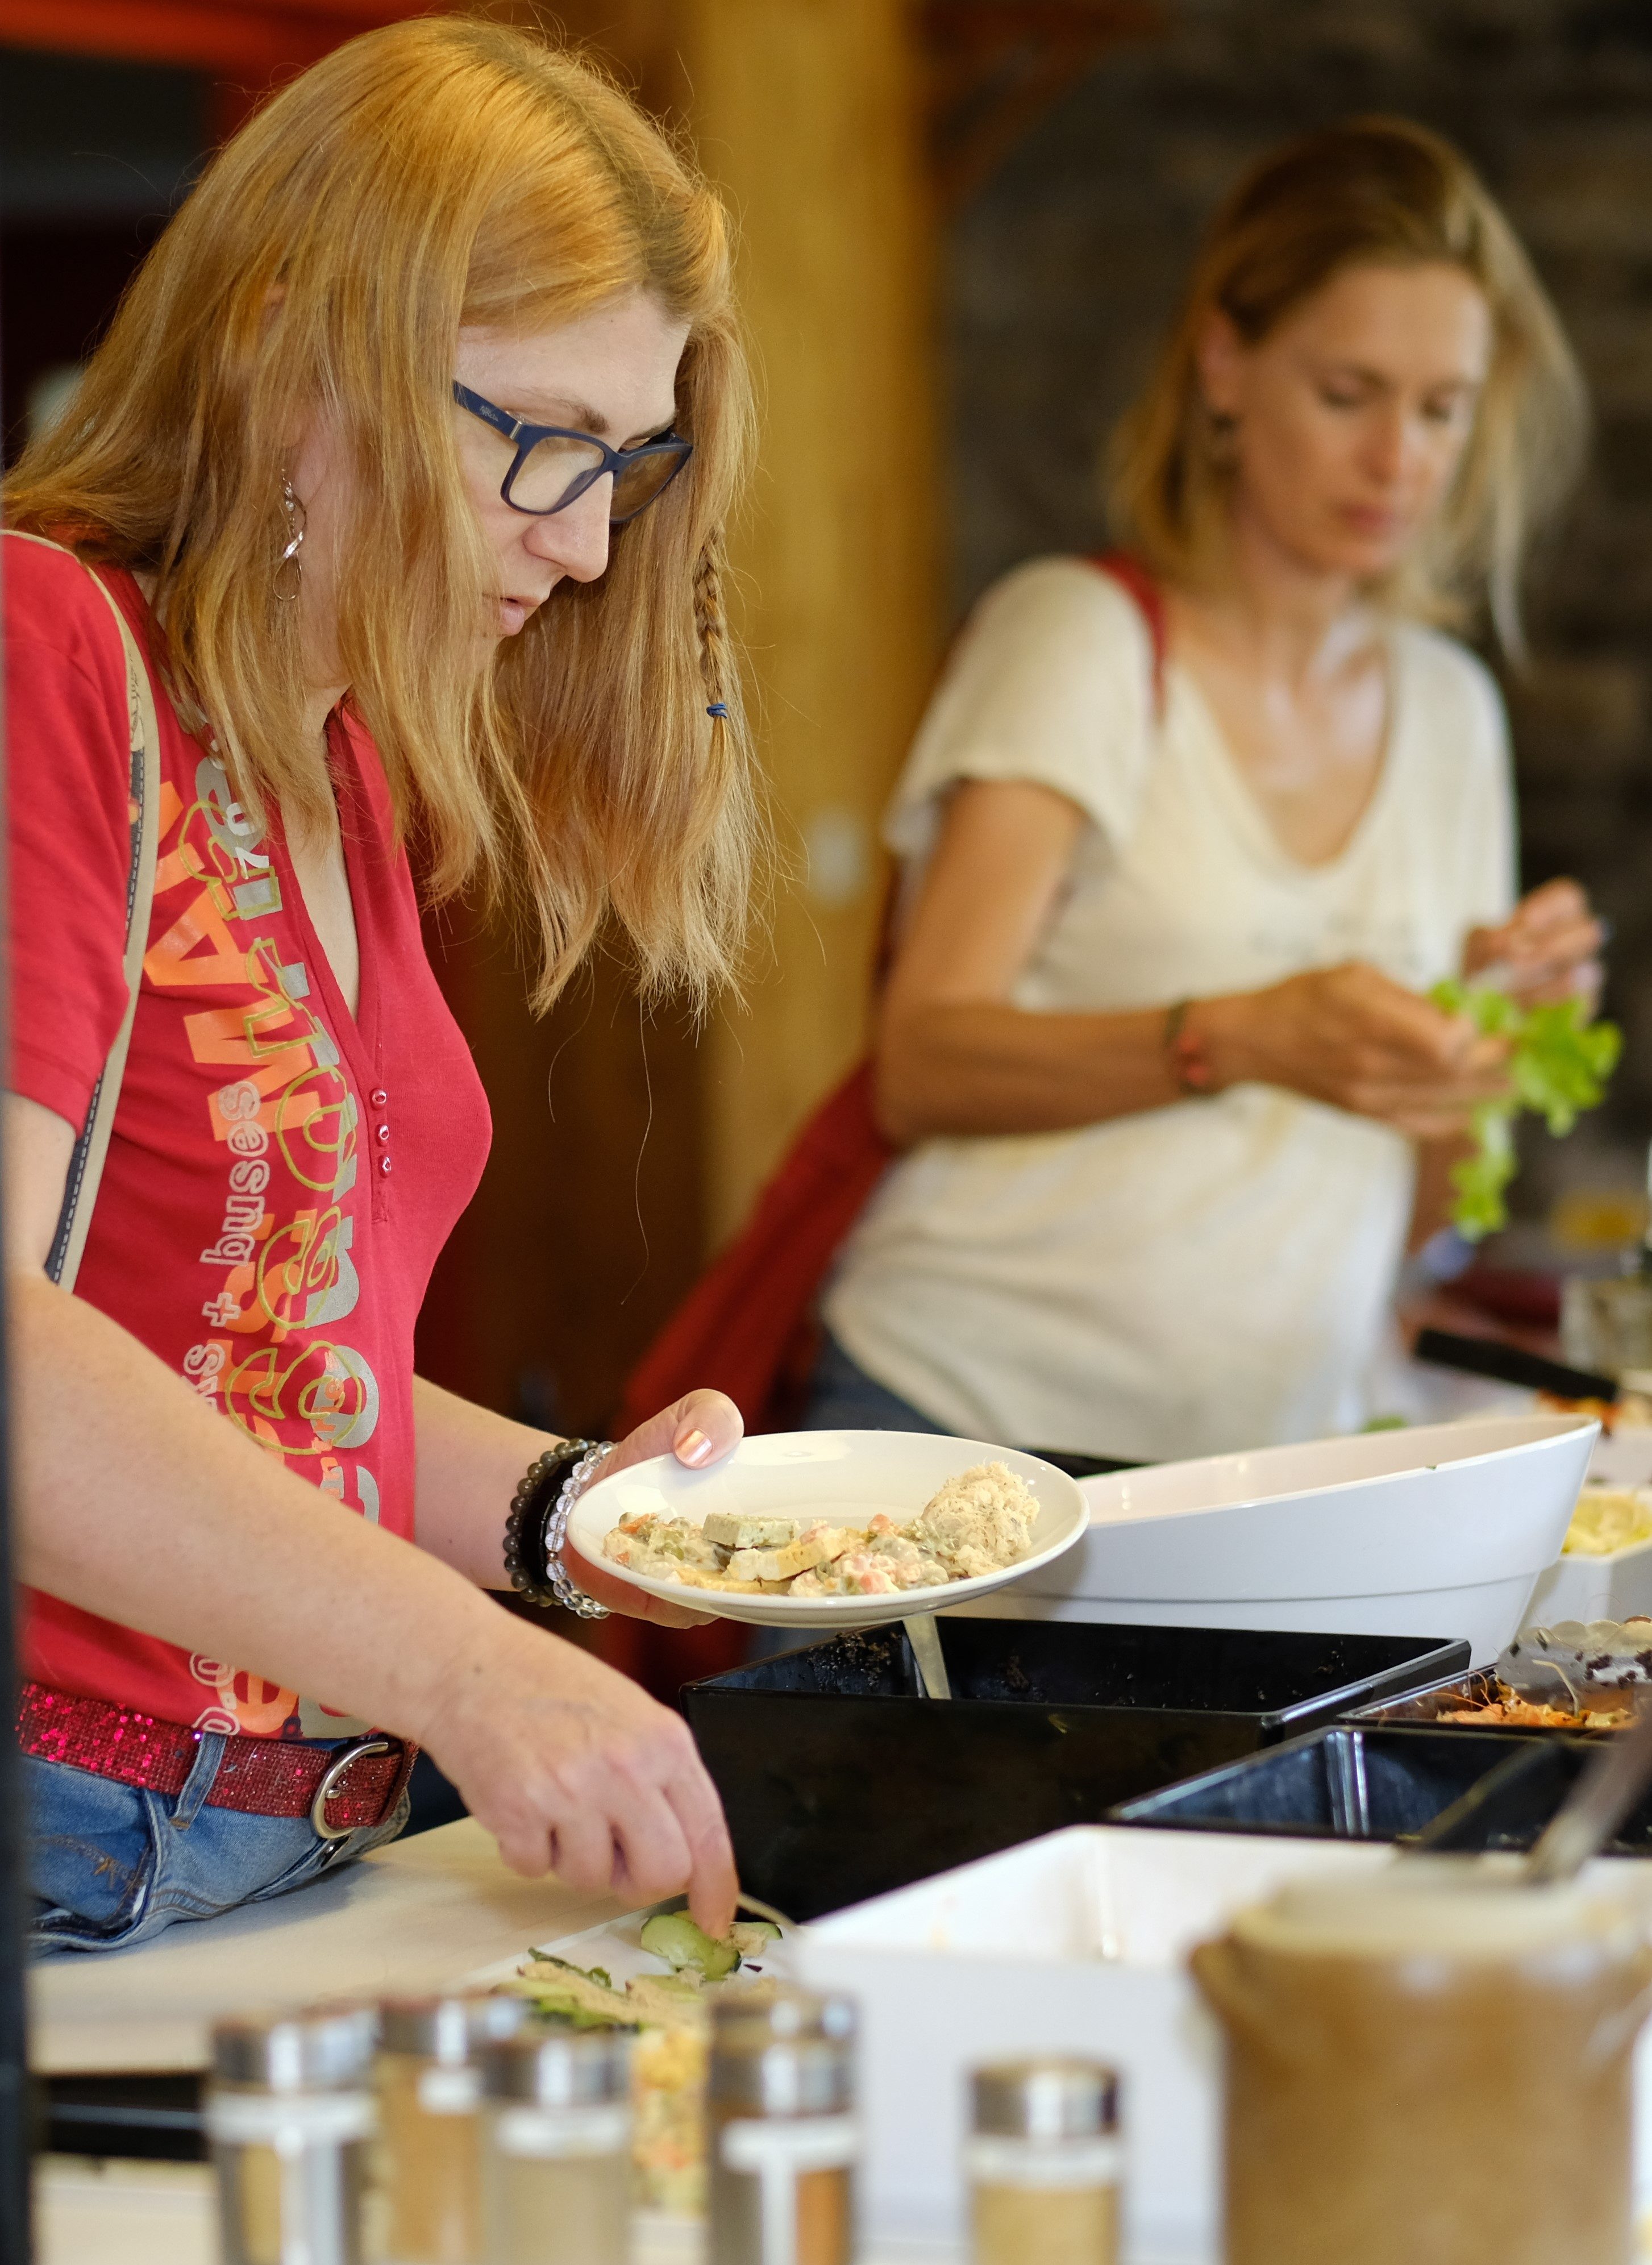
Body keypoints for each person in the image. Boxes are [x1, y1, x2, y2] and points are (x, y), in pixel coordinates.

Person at [3, 18, 760, 1950]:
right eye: (534, 439)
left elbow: (264, 1380)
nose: (585, 544)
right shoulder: (46, 647)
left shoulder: (335, 759)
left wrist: (573, 1514)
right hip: (76, 1825)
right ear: (285, 349)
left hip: (283, 1833)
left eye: (627, 464)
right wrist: (473, 1668)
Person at [808, 117, 1605, 1464]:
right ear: (1224, 368)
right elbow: (919, 1064)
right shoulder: (1081, 640)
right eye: (1347, 393)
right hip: (961, 1427)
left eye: (1440, 407)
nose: (1396, 460)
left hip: (1265, 1463)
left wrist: (1479, 1051)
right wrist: (1242, 1033)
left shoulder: (1451, 716)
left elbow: (1415, 1227)